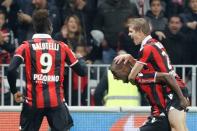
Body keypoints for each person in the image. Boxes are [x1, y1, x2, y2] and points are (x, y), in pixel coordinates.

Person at [7, 9, 87, 131]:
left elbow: (11, 69)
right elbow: (82, 72)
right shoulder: (62, 47)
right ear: (50, 27)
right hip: (56, 102)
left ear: (35, 27)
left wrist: (14, 91)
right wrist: (80, 59)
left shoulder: (25, 46)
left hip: (33, 102)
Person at [114, 18, 189, 131]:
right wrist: (130, 58)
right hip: (173, 89)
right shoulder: (154, 43)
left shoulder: (147, 48)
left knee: (178, 128)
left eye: (131, 31)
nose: (129, 34)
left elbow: (132, 76)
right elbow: (145, 69)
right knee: (177, 128)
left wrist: (181, 98)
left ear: (140, 31)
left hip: (174, 90)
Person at [110, 60, 189, 131]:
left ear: (124, 69)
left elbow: (167, 76)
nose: (114, 77)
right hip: (158, 117)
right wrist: (129, 57)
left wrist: (182, 98)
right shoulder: (138, 76)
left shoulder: (141, 77)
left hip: (160, 118)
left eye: (115, 73)